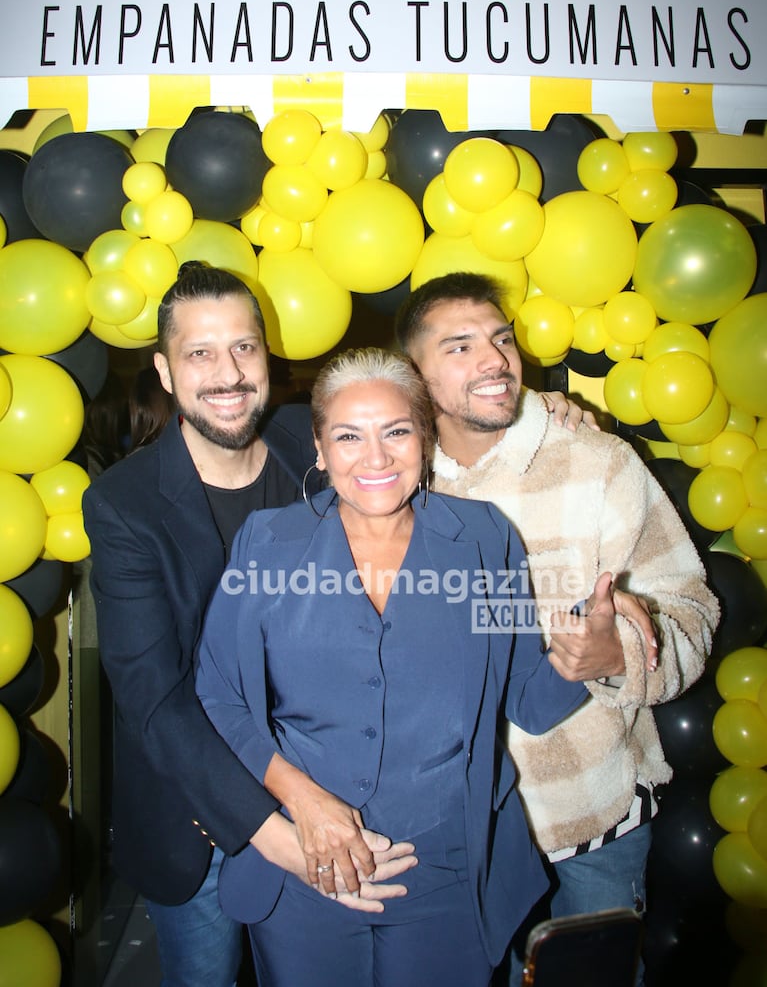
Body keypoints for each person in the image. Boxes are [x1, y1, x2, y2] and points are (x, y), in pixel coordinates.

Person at [195, 346, 594, 987]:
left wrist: (580, 659)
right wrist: (306, 805)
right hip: (308, 867)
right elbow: (220, 697)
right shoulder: (268, 544)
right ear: (320, 451)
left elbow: (528, 697)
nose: (375, 457)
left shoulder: (485, 541)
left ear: (425, 440)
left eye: (397, 431)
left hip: (450, 874)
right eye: (348, 436)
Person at [81, 264, 419, 987]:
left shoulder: (314, 440)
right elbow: (154, 698)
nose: (228, 373)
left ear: (268, 356)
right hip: (207, 816)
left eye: (244, 347)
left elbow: (418, 428)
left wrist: (552, 412)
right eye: (200, 353)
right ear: (166, 373)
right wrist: (279, 832)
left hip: (338, 784)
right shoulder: (124, 504)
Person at [394, 272, 721, 985]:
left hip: (588, 819)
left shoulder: (596, 463)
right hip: (453, 836)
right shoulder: (394, 483)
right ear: (414, 378)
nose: (493, 359)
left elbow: (690, 608)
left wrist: (620, 652)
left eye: (500, 338)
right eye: (459, 346)